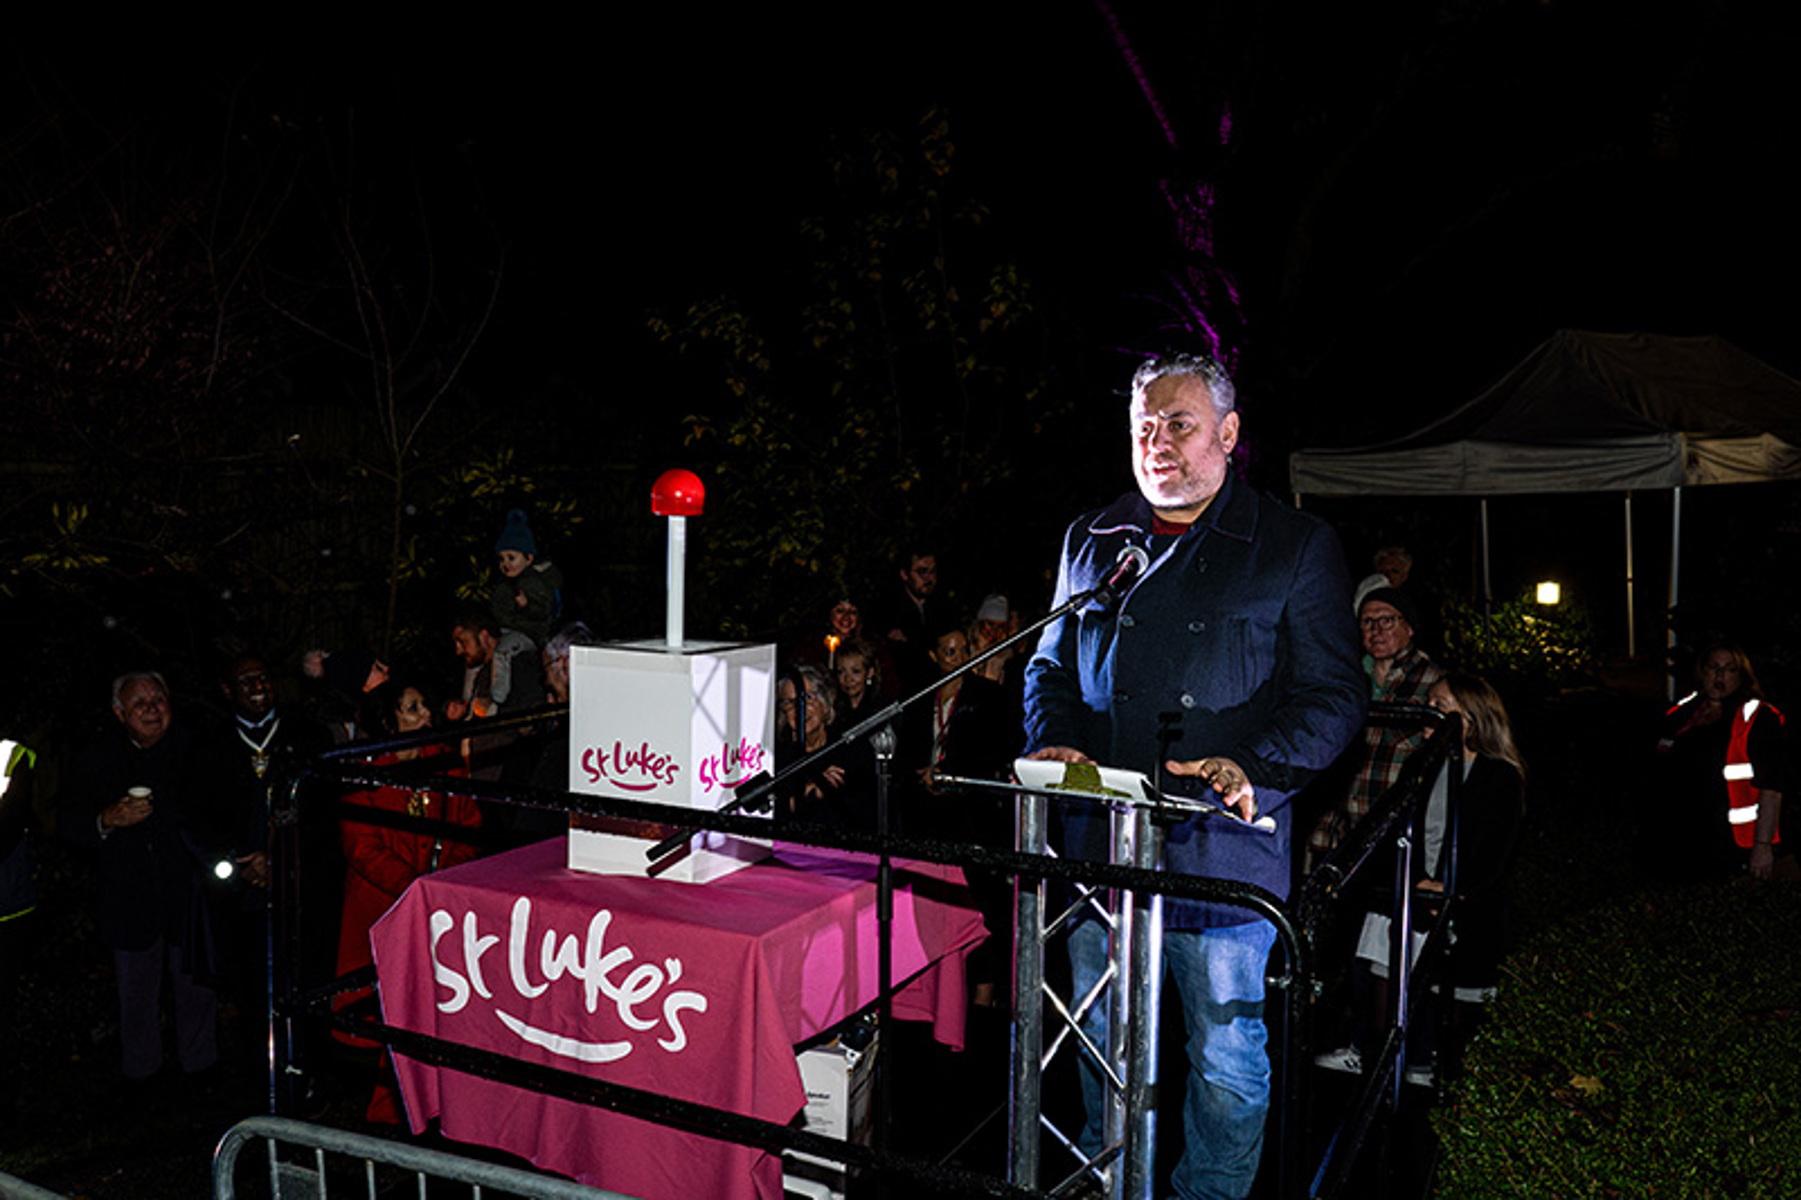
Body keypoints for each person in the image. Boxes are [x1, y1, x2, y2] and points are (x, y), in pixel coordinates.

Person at [1024, 353, 1365, 1199]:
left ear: (1228, 431)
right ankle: (1106, 1184)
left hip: (1220, 847)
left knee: (1224, 1060)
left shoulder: (1292, 544)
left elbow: (1334, 695)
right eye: (1143, 426)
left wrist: (1253, 764)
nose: (1157, 442)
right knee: (1096, 1044)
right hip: (1099, 849)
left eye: (1178, 423)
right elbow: (1047, 666)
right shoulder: (1091, 537)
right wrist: (1055, 738)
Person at [1314, 673, 1526, 1083]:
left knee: (1446, 1011)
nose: (1428, 714)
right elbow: (1398, 831)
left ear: (1473, 718)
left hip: (1461, 906)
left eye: (1441, 706)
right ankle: (1375, 1059)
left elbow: (1494, 851)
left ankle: (1421, 1069)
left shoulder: (1498, 776)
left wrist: (1452, 887)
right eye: (1429, 704)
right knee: (1381, 975)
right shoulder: (1423, 766)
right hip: (1410, 895)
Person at [61, 672, 224, 1084]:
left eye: (158, 700)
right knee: (135, 995)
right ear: (119, 713)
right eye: (139, 703)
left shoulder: (196, 751)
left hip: (188, 896)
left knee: (196, 988)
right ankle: (141, 1077)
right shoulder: (96, 758)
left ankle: (201, 1072)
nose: (151, 709)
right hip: (128, 899)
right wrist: (106, 819)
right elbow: (67, 824)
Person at [335, 679, 481, 1117]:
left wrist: (445, 880)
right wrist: (413, 886)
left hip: (439, 906)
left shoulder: (447, 764)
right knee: (387, 1003)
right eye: (413, 709)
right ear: (389, 721)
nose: (426, 715)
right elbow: (362, 846)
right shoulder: (364, 773)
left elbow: (468, 825)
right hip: (382, 906)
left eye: (424, 706)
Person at [1307, 586, 1444, 866]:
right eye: (1368, 622)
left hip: (1400, 832)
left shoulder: (1436, 684)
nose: (1376, 630)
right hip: (1341, 831)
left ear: (1409, 628)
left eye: (1387, 620)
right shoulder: (1345, 680)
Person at [1650, 641, 1785, 882]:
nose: (1720, 675)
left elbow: (1771, 788)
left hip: (1728, 846)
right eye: (1713, 667)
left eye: (1730, 669)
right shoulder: (1681, 713)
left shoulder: (1757, 717)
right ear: (1702, 671)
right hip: (1678, 840)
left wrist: (1763, 845)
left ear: (1742, 676)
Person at [489, 508, 564, 651]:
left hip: (530, 636)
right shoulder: (504, 584)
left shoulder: (534, 582)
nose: (506, 564)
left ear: (528, 558)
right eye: (501, 559)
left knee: (505, 650)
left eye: (511, 558)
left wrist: (527, 605)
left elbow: (546, 610)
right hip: (506, 632)